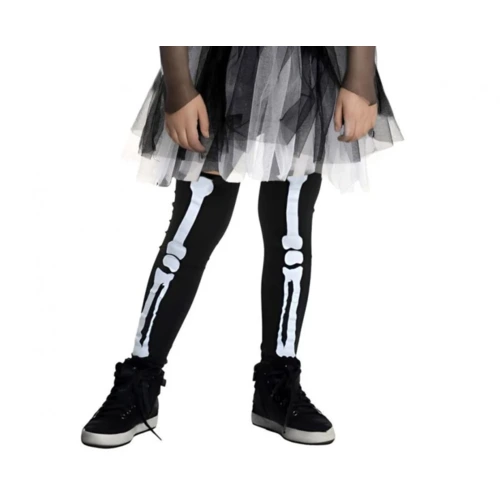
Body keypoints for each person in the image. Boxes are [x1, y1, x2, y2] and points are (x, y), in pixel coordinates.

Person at [81, 46, 403, 448]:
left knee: (291, 229)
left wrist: (360, 74)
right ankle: (140, 380)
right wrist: (178, 83)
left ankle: (277, 381)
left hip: (306, 59)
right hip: (221, 53)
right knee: (193, 226)